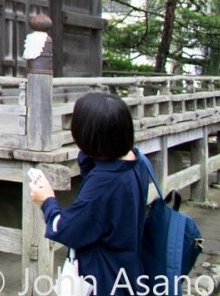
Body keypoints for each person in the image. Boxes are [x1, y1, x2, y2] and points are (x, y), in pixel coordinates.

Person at [28, 91, 151, 296]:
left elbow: (66, 228)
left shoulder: (103, 183)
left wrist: (47, 200)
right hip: (128, 270)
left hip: (103, 279)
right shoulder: (137, 162)